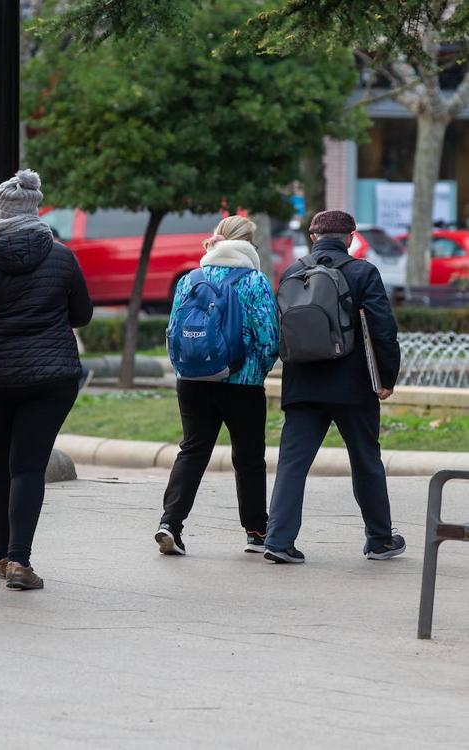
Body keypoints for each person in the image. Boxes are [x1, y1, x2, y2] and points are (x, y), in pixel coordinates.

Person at [0, 169, 93, 591]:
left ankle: (2, 552)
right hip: (51, 377)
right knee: (28, 466)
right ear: (36, 210)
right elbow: (81, 315)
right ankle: (20, 561)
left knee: (1, 464)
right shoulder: (62, 257)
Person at [264, 210, 403, 564]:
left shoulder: (293, 272)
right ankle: (380, 540)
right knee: (366, 461)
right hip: (352, 386)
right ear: (351, 237)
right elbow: (383, 329)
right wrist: (386, 378)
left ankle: (278, 541)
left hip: (302, 384)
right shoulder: (362, 272)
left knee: (292, 464)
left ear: (313, 237)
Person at [156, 216, 279, 556]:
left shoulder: (190, 278)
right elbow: (269, 337)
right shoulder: (254, 280)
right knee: (250, 457)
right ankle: (256, 530)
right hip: (242, 382)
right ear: (250, 244)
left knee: (192, 450)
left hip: (193, 379)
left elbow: (173, 331)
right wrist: (258, 371)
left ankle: (170, 524)